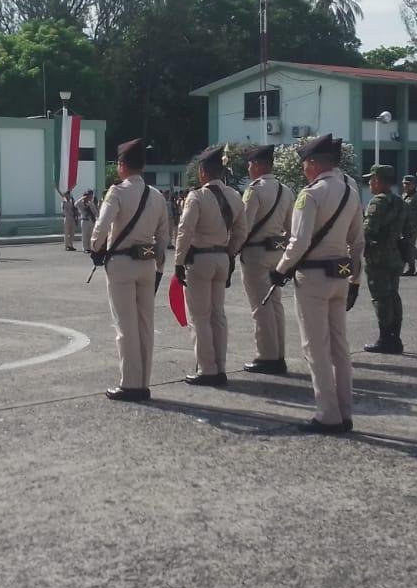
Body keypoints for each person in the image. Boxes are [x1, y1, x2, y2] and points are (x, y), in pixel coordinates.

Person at [271, 133, 363, 433]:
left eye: (304, 164)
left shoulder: (310, 194)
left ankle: (327, 414)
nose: (302, 170)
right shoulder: (351, 191)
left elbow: (299, 242)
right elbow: (357, 241)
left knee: (316, 347)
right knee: (339, 345)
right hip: (340, 275)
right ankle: (345, 410)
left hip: (312, 277)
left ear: (313, 164)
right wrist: (356, 280)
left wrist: (280, 269)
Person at [91, 138, 170, 401]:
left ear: (122, 165)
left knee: (125, 325)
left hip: (122, 264)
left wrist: (96, 247)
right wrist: (158, 265)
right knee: (145, 324)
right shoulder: (157, 196)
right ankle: (144, 382)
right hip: (147, 264)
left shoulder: (117, 192)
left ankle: (130, 384)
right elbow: (163, 237)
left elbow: (101, 228)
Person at [174, 144, 248, 387]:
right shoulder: (235, 196)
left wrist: (178, 261)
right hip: (221, 259)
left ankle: (207, 369)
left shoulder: (197, 196)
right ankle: (221, 366)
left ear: (204, 172)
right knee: (218, 314)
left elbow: (185, 231)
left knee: (199, 316)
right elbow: (241, 232)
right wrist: (230, 252)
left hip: (200, 260)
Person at [237, 144, 294, 374]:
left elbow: (244, 227)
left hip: (256, 253)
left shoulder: (254, 191)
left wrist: (232, 249)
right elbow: (292, 229)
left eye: (250, 164)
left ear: (259, 165)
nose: (249, 168)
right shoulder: (286, 191)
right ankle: (278, 352)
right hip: (277, 251)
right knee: (275, 304)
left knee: (260, 306)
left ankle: (267, 356)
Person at [361, 165, 412, 354]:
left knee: (381, 299)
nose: (369, 183)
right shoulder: (400, 202)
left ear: (377, 181)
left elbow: (367, 232)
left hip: (378, 258)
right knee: (393, 297)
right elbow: (409, 232)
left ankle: (385, 340)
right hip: (395, 256)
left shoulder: (377, 203)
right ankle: (395, 338)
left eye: (371, 180)